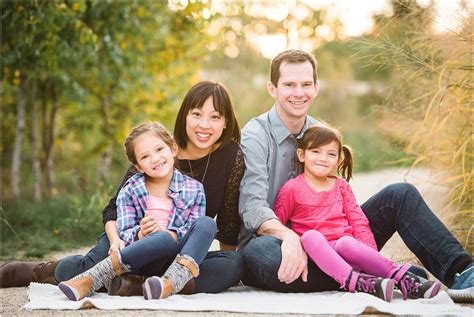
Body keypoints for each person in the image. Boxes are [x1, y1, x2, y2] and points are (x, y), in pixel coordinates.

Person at [238, 49, 473, 302]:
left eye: (306, 84)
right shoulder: (255, 135)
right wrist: (290, 238)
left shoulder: (320, 133)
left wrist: (368, 252)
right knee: (258, 254)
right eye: (289, 85)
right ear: (273, 89)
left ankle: (465, 275)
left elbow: (341, 204)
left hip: (338, 244)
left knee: (400, 194)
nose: (299, 93)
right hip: (278, 242)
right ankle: (381, 277)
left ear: (316, 88)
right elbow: (252, 207)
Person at [1, 81, 245, 296]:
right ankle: (39, 270)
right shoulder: (155, 150)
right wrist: (117, 240)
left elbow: (227, 220)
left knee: (233, 264)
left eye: (215, 117)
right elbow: (113, 209)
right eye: (196, 114)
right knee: (91, 264)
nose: (205, 125)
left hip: (179, 251)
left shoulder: (231, 156)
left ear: (225, 122)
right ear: (184, 117)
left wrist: (224, 260)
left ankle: (138, 285)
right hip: (131, 239)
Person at [274, 123, 442, 301]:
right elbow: (277, 223)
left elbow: (358, 221)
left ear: (338, 159)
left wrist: (371, 256)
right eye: (315, 152)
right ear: (302, 155)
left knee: (346, 242)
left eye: (331, 154)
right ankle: (357, 282)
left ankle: (405, 280)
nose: (323, 158)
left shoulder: (341, 187)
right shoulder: (291, 188)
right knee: (310, 237)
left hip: (347, 252)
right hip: (318, 256)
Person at [59, 122, 215, 301]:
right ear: (139, 166)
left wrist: (171, 235)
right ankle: (91, 278)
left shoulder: (194, 189)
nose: (155, 159)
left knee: (213, 233)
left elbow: (194, 231)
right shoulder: (131, 189)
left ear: (173, 149)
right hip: (141, 259)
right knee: (161, 239)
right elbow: (124, 233)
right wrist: (141, 234)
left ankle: (168, 283)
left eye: (159, 149)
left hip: (177, 259)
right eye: (145, 156)